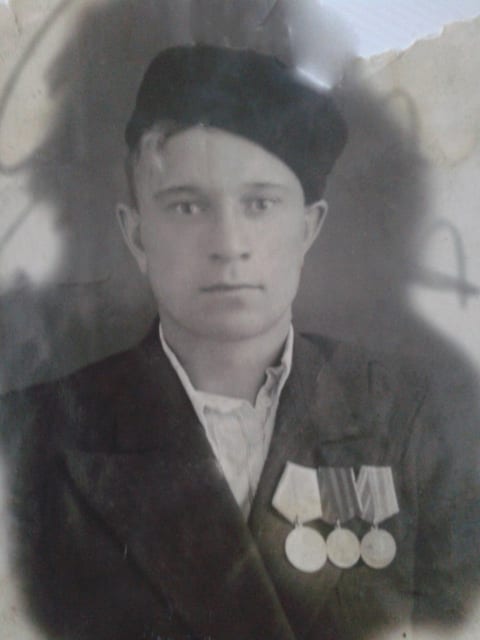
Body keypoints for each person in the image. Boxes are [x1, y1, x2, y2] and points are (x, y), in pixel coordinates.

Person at [1, 44, 479, 640]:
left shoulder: (417, 417)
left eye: (259, 204)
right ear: (137, 235)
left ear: (307, 227)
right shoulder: (29, 438)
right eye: (187, 206)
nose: (228, 244)